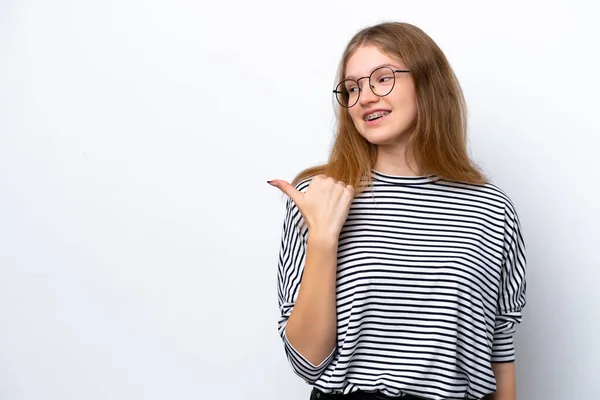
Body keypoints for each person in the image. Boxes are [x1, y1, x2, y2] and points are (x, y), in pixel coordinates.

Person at [268, 21, 526, 400]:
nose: (365, 97)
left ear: (426, 82)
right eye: (352, 88)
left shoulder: (492, 208)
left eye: (382, 79)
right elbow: (307, 362)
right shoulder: (320, 196)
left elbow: (500, 351)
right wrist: (323, 236)